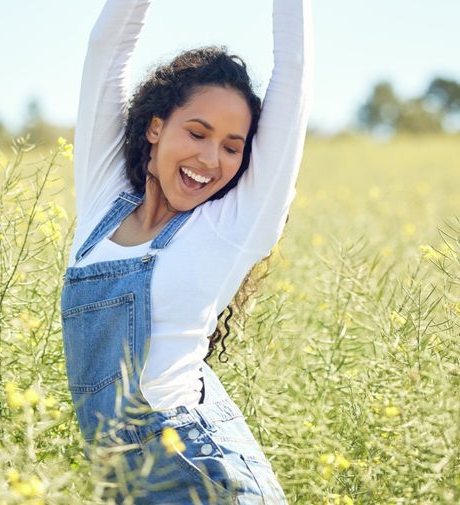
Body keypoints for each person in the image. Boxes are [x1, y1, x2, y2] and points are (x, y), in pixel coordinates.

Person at [60, 0, 312, 503]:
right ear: (156, 127)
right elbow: (105, 50)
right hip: (123, 484)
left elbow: (296, 72)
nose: (209, 159)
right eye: (197, 133)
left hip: (203, 475)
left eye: (232, 146)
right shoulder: (102, 199)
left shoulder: (232, 228)